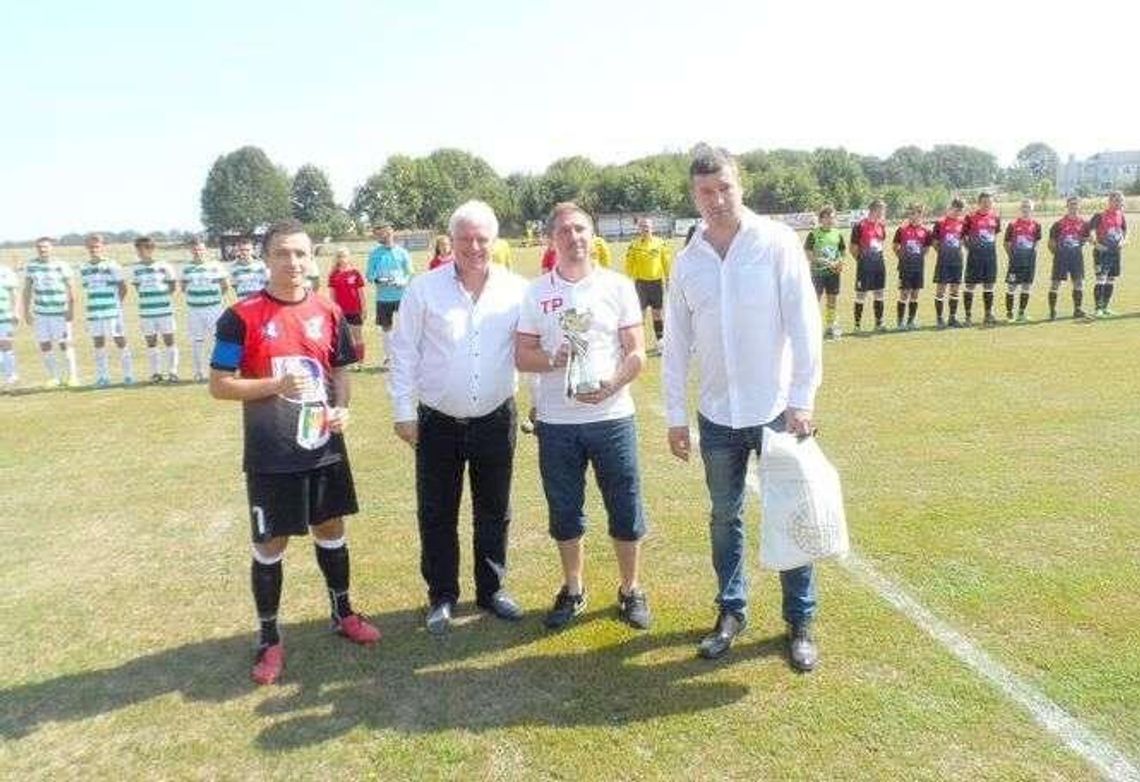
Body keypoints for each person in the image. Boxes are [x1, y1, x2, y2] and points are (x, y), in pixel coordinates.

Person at [662, 145, 822, 672]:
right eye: (705, 192)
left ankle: (799, 621)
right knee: (723, 518)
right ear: (694, 196)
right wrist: (676, 417)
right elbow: (677, 343)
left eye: (724, 188)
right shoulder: (688, 262)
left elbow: (805, 324)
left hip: (776, 410)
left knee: (789, 514)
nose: (716, 199)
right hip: (717, 416)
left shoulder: (775, 243)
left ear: (740, 186)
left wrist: (802, 399)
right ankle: (731, 612)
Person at [209, 218, 379, 686]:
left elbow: (341, 371)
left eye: (302, 254)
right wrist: (274, 385)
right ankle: (269, 639)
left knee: (332, 528)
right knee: (271, 544)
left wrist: (343, 408)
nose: (293, 262)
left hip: (323, 447)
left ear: (312, 258)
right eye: (283, 253)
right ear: (266, 258)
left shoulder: (328, 310)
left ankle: (342, 612)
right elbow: (219, 386)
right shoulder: (239, 316)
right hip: (271, 454)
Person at [389, 200, 529, 634]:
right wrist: (402, 410)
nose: (474, 246)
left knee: (494, 510)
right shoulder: (423, 288)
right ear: (451, 241)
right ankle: (442, 596)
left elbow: (530, 348)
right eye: (465, 238)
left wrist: (542, 404)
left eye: (482, 238)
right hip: (436, 421)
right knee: (436, 512)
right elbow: (403, 351)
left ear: (494, 240)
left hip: (495, 417)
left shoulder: (517, 290)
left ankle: (491, 590)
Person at [516, 202, 650, 631]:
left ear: (592, 236)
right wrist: (551, 359)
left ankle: (630, 589)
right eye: (565, 232)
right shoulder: (536, 292)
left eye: (581, 230)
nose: (574, 238)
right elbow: (522, 355)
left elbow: (636, 353)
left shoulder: (617, 285)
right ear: (551, 239)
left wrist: (610, 386)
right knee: (565, 511)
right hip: (556, 422)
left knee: (625, 508)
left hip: (612, 417)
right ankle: (573, 588)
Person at [79, 233, 133, 387]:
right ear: (86, 247)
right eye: (90, 246)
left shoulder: (112, 265)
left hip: (112, 312)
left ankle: (128, 375)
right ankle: (103, 377)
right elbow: (88, 289)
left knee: (120, 341)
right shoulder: (84, 267)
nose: (93, 249)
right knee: (98, 344)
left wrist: (116, 305)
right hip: (94, 312)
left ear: (102, 247)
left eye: (96, 246)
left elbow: (123, 287)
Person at [23, 238, 79, 387]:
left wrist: (71, 309)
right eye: (40, 247)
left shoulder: (61, 265)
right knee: (45, 345)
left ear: (51, 248)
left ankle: (72, 377)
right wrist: (26, 312)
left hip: (60, 312)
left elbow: (71, 288)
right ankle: (54, 377)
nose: (43, 250)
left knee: (64, 344)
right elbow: (27, 290)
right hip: (41, 313)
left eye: (45, 247)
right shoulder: (31, 266)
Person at [129, 236, 180, 382]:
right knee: (151, 342)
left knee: (169, 340)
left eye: (143, 248)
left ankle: (173, 371)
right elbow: (138, 288)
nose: (140, 251)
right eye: (138, 248)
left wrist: (161, 298)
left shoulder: (164, 266)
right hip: (146, 311)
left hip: (164, 310)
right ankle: (155, 373)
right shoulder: (136, 269)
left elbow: (172, 286)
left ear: (151, 249)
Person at [365, 223, 413, 368]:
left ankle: (405, 357)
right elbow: (369, 274)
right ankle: (388, 358)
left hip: (401, 296)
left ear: (389, 234)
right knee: (386, 328)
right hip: (383, 297)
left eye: (381, 235)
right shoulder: (375, 254)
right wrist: (377, 279)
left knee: (404, 328)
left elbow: (410, 272)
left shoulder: (402, 252)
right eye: (377, 235)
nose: (378, 237)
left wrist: (403, 281)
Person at [182, 238, 230, 382]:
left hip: (213, 309)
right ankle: (199, 372)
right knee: (197, 341)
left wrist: (212, 299)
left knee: (218, 340)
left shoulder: (216, 266)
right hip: (194, 310)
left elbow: (225, 285)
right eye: (195, 249)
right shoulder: (186, 268)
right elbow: (183, 288)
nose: (198, 252)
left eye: (201, 249)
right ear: (191, 250)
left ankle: (217, 373)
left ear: (205, 250)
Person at [623, 216, 672, 354]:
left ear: (652, 228)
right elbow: (629, 265)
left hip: (656, 283)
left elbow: (666, 262)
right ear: (638, 229)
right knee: (639, 316)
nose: (645, 228)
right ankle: (638, 345)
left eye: (647, 226)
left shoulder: (660, 243)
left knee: (657, 314)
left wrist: (668, 278)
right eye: (642, 226)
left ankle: (660, 343)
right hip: (640, 284)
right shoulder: (634, 245)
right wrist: (627, 282)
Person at [803, 205, 846, 339]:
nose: (829, 220)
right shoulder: (813, 234)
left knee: (832, 300)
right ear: (821, 219)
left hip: (833, 274)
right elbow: (808, 254)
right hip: (818, 274)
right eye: (826, 217)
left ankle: (830, 327)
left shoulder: (837, 234)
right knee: (814, 301)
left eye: (832, 217)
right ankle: (811, 327)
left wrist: (839, 262)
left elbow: (842, 252)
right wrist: (825, 262)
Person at [1046, 196, 1090, 320]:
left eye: (1076, 204)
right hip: (1061, 258)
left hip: (1076, 257)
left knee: (1078, 282)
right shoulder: (1058, 224)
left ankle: (1077, 309)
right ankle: (1052, 311)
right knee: (1055, 284)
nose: (1073, 206)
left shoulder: (1084, 223)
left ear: (1079, 206)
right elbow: (1050, 243)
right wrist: (1059, 254)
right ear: (1067, 206)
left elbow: (1086, 239)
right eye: (1071, 204)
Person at [962, 192, 1001, 326]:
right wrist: (971, 249)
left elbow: (995, 234)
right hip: (974, 257)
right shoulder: (970, 217)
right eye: (984, 202)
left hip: (990, 256)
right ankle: (968, 316)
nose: (987, 204)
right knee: (970, 285)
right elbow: (963, 236)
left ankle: (988, 314)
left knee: (989, 285)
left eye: (989, 202)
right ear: (979, 203)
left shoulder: (995, 217)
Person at [849, 199, 888, 332]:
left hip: (879, 263)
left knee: (879, 292)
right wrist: (861, 261)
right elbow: (853, 248)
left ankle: (879, 324)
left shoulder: (881, 226)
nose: (883, 213)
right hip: (865, 265)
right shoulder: (860, 226)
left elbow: (881, 243)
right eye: (882, 210)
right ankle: (857, 325)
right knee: (861, 294)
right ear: (875, 210)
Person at [1088, 190, 1128, 317]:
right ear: (1109, 201)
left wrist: (1123, 241)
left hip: (1115, 253)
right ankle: (1098, 309)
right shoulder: (1099, 215)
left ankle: (1105, 307)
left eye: (1121, 200)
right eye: (1116, 200)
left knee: (1111, 279)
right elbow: (1090, 232)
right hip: (1102, 253)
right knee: (1101, 279)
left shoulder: (1121, 215)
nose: (1119, 203)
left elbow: (1125, 231)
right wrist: (1095, 243)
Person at [892, 203, 932, 330]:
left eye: (915, 213)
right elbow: (895, 247)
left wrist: (918, 258)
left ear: (921, 214)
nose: (912, 216)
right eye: (910, 213)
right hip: (905, 267)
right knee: (904, 293)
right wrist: (902, 258)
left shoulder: (926, 231)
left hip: (918, 268)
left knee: (915, 294)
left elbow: (926, 249)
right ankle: (900, 322)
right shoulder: (901, 230)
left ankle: (911, 320)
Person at [1002, 199, 1042, 322]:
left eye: (1028, 207)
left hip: (1029, 262)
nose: (1026, 209)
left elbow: (1036, 243)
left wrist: (1031, 256)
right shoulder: (1012, 225)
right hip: (1015, 263)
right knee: (1011, 287)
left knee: (1026, 286)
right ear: (1020, 209)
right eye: (1024, 207)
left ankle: (1021, 313)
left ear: (1032, 209)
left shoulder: (1036, 225)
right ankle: (1009, 314)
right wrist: (1012, 257)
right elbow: (1006, 243)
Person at [327, 247, 367, 368]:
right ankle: (350, 362)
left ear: (348, 257)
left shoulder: (355, 273)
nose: (342, 259)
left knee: (357, 337)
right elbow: (332, 295)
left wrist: (364, 308)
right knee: (346, 338)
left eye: (344, 256)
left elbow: (361, 292)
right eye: (339, 256)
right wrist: (333, 310)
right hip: (341, 311)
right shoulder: (333, 274)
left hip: (355, 310)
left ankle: (360, 362)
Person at [931, 198, 967, 328]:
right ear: (950, 207)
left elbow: (962, 240)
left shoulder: (962, 223)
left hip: (957, 261)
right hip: (944, 261)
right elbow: (934, 243)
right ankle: (940, 319)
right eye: (956, 209)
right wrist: (944, 254)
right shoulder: (940, 223)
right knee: (941, 289)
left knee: (955, 290)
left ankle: (952, 318)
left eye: (960, 210)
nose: (958, 213)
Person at [0, 259, 20, 387]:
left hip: (4, 315)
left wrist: (16, 312)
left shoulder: (5, 271)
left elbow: (15, 294)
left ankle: (11, 375)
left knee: (6, 345)